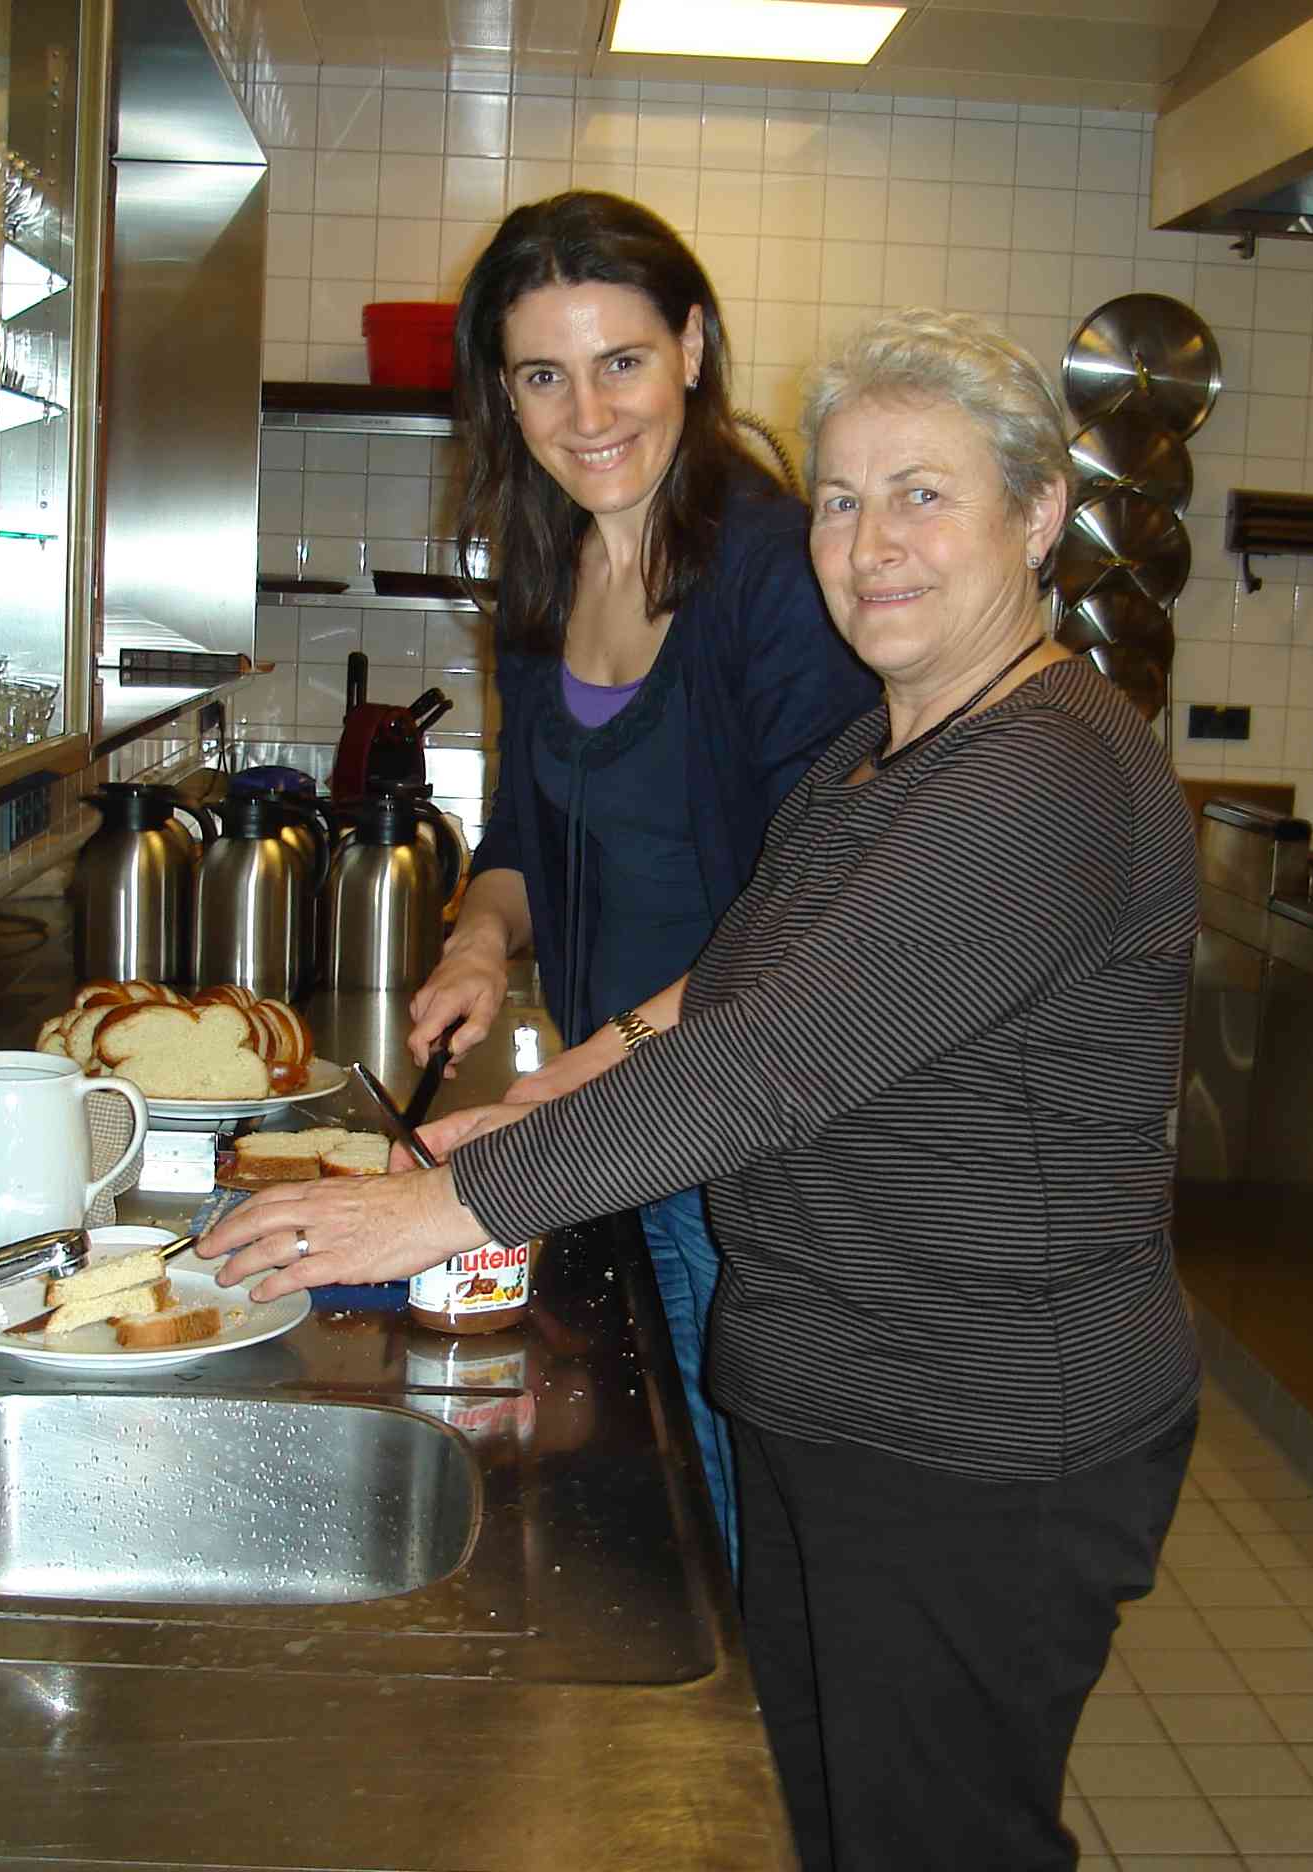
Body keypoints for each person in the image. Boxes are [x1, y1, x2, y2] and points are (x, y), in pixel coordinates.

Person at [200, 308, 1202, 1872]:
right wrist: (536, 1107)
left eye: (924, 495)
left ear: (1038, 515)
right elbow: (733, 985)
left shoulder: (1047, 773)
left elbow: (771, 1065)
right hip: (840, 1396)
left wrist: (443, 1207)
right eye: (843, 501)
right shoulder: (881, 758)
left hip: (979, 1429)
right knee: (817, 1817)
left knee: (930, 1841)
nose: (871, 544)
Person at [402, 191, 878, 1575]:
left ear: (693, 347)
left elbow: (812, 913)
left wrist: (579, 1076)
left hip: (757, 1136)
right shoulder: (546, 572)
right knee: (669, 1487)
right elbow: (524, 834)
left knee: (746, 1514)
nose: (588, 412)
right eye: (543, 376)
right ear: (503, 392)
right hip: (627, 1117)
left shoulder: (778, 577)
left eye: (621, 361)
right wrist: (480, 942)